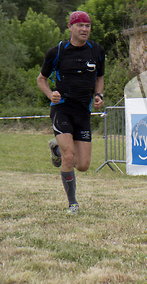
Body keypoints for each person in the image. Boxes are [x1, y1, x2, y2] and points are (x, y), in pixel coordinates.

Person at [37, 11, 105, 214]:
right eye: (80, 25)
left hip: (83, 110)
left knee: (82, 165)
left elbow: (99, 77)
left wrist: (99, 95)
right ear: (70, 27)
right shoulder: (57, 51)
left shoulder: (97, 51)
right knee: (69, 156)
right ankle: (72, 203)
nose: (84, 29)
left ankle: (55, 148)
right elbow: (41, 79)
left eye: (88, 26)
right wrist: (51, 95)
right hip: (63, 108)